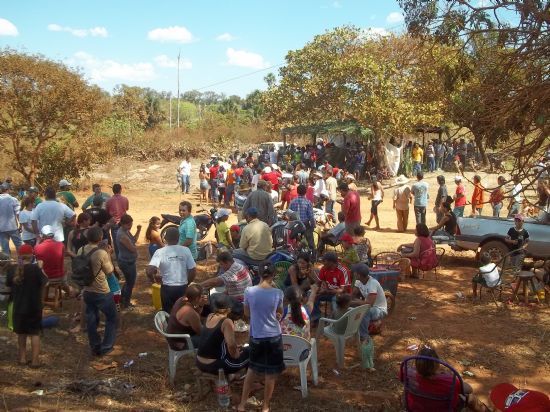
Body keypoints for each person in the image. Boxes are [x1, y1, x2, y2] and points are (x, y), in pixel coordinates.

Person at [238, 266, 285, 412]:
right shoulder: (278, 293)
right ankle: (265, 406)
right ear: (273, 275)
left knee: (251, 370)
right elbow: (280, 313)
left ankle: (242, 405)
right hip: (274, 336)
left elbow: (247, 313)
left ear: (258, 274)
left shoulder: (249, 291)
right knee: (270, 375)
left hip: (256, 335)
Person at [399, 344, 482, 412]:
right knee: (471, 398)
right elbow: (469, 389)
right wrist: (446, 374)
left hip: (416, 408)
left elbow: (402, 379)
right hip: (442, 409)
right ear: (437, 365)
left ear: (417, 364)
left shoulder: (407, 373)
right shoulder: (450, 381)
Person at [6, 244, 48, 367]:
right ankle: (35, 361)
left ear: (19, 256)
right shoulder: (36, 269)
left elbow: (8, 285)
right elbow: (45, 282)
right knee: (35, 333)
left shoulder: (13, 270)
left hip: (18, 306)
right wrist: (41, 268)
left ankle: (22, 358)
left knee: (21, 333)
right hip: (34, 306)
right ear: (32, 256)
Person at [79, 227, 118, 356]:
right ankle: (106, 346)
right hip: (101, 290)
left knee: (91, 317)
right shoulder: (101, 253)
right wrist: (109, 255)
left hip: (87, 289)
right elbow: (110, 271)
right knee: (112, 317)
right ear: (100, 238)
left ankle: (95, 345)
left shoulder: (81, 249)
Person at [196, 293, 250, 375]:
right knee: (251, 352)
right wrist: (236, 354)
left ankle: (238, 377)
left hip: (199, 362)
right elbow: (231, 345)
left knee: (241, 350)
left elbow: (216, 341)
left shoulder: (210, 316)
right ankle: (252, 382)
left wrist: (234, 349)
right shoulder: (226, 322)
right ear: (228, 309)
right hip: (215, 365)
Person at [146, 227, 196, 313]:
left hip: (167, 289)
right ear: (179, 238)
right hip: (182, 287)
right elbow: (193, 270)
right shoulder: (186, 250)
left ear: (165, 239)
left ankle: (169, 325)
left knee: (168, 313)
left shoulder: (159, 252)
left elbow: (149, 271)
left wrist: (153, 280)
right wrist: (187, 283)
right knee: (182, 313)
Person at [350, 263, 388, 342]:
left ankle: (364, 336)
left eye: (355, 272)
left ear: (358, 275)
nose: (353, 273)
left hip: (379, 309)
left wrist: (356, 302)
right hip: (368, 305)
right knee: (350, 307)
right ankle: (352, 328)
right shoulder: (359, 281)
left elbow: (369, 304)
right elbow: (353, 294)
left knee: (364, 312)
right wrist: (348, 300)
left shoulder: (373, 284)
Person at [312, 252, 351, 320]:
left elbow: (343, 290)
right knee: (314, 296)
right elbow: (318, 283)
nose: (323, 263)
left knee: (335, 299)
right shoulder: (324, 269)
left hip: (342, 295)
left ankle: (336, 321)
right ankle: (316, 318)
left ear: (331, 262)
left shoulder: (343, 270)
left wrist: (327, 291)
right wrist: (316, 291)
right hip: (329, 292)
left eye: (324, 261)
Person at [166, 284, 206, 351]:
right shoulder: (190, 313)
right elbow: (201, 332)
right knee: (211, 338)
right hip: (180, 343)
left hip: (173, 338)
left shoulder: (181, 300)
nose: (204, 297)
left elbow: (196, 315)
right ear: (196, 298)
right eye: (202, 296)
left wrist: (201, 305)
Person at [116, 214, 141, 309]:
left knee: (128, 282)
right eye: (128, 225)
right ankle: (126, 304)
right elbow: (132, 249)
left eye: (131, 224)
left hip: (128, 261)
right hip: (126, 262)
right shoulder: (122, 235)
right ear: (122, 224)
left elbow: (134, 240)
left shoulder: (125, 231)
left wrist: (138, 230)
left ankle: (122, 299)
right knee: (130, 284)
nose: (130, 226)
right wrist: (136, 252)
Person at [289, 184, 316, 258]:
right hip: (305, 225)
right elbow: (311, 216)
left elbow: (289, 215)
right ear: (305, 192)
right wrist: (313, 226)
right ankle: (313, 257)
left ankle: (295, 255)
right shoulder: (308, 202)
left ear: (297, 192)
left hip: (295, 226)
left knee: (296, 241)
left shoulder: (292, 201)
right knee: (311, 242)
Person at [105, 183, 129, 257]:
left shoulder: (108, 201)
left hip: (114, 222)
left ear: (113, 191)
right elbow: (127, 208)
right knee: (125, 239)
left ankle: (119, 257)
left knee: (116, 241)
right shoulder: (125, 199)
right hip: (124, 222)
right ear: (120, 190)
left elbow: (107, 211)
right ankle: (125, 254)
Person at [0, 182, 22, 256]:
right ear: (8, 189)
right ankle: (21, 264)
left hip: (1, 229)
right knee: (19, 246)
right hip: (12, 227)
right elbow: (18, 213)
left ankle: (7, 266)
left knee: (5, 249)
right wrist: (21, 225)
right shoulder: (13, 199)